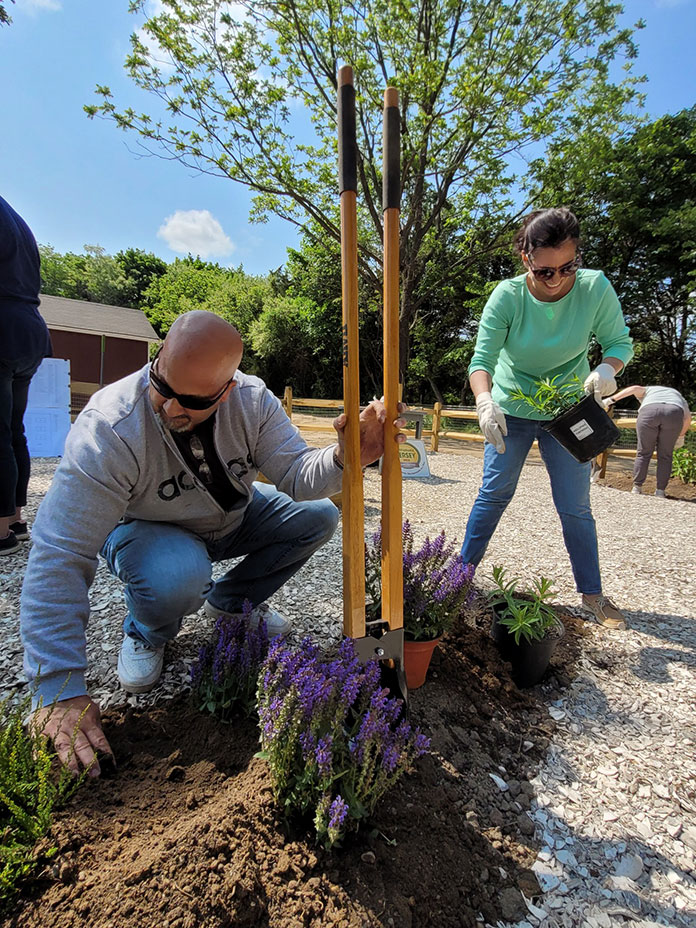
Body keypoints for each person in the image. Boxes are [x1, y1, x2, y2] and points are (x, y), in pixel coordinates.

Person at [21, 310, 405, 776]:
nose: (168, 407)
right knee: (179, 576)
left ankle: (230, 604)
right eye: (162, 385)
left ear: (227, 390)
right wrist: (57, 685)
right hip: (147, 527)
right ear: (159, 356)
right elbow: (61, 549)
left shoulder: (252, 401)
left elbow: (297, 475)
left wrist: (347, 457)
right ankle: (146, 632)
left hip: (228, 516)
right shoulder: (109, 427)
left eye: (189, 400)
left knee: (319, 514)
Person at [461, 207, 634, 630]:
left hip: (568, 406)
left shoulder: (594, 288)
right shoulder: (507, 296)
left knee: (575, 505)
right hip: (512, 408)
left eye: (567, 267)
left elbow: (618, 343)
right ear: (526, 260)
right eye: (544, 272)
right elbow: (481, 360)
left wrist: (608, 369)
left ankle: (592, 594)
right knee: (494, 492)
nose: (557, 279)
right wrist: (485, 402)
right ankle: (459, 580)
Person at [0, 195, 51, 555]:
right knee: (13, 429)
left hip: (2, 322)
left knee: (0, 431)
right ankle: (15, 518)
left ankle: (0, 528)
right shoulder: (17, 220)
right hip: (30, 326)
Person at [604, 385, 691, 498]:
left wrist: (610, 400)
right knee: (665, 456)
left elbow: (634, 388)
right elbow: (688, 418)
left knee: (643, 453)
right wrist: (681, 436)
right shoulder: (677, 396)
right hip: (674, 413)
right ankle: (660, 491)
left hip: (649, 412)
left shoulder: (648, 390)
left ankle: (637, 488)